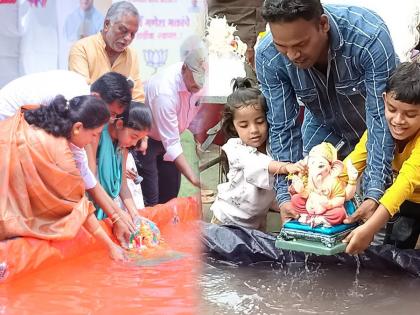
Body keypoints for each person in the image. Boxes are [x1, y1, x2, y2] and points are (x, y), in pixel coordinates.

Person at [255, 0, 398, 225]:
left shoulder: (368, 37)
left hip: (375, 128)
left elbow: (381, 119)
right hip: (324, 126)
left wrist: (375, 191)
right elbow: (282, 126)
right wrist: (285, 196)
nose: (292, 55)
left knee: (380, 219)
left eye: (301, 44)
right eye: (282, 46)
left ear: (323, 24)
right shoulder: (269, 56)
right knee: (308, 193)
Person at [0, 70, 140, 246]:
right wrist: (113, 229)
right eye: (110, 112)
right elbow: (76, 196)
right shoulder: (58, 141)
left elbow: (85, 174)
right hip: (6, 123)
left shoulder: (75, 117)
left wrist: (118, 216)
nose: (110, 120)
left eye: (114, 115)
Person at [343, 62, 420, 254]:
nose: (398, 120)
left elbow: (406, 181)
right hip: (405, 203)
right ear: (384, 100)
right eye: (392, 109)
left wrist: (369, 229)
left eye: (410, 114)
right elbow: (351, 165)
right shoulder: (378, 132)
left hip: (404, 192)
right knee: (395, 254)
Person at [210, 78, 303, 230]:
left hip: (257, 222)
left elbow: (274, 188)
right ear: (234, 127)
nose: (253, 130)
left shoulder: (274, 149)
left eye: (259, 122)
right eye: (244, 125)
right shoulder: (234, 147)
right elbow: (257, 163)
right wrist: (287, 167)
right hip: (226, 220)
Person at [134, 46, 207, 206]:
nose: (199, 86)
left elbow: (193, 117)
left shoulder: (200, 83)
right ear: (184, 68)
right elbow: (172, 143)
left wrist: (199, 140)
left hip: (169, 139)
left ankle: (166, 230)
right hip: (146, 141)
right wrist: (194, 179)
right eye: (195, 80)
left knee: (170, 197)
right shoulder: (165, 92)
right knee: (150, 201)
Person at [86, 101, 152, 222]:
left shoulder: (124, 146)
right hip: (91, 205)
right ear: (120, 124)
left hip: (110, 205)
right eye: (134, 136)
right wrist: (117, 214)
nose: (133, 143)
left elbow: (122, 184)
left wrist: (135, 215)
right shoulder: (97, 135)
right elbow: (91, 180)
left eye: (138, 139)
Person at [68, 1, 144, 103]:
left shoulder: (132, 55)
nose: (128, 38)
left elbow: (137, 99)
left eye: (133, 34)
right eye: (123, 30)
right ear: (107, 24)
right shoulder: (82, 48)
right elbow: (82, 96)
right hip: (90, 115)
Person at [0, 70, 131, 122]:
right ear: (96, 97)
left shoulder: (80, 87)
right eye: (112, 113)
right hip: (6, 119)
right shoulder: (73, 101)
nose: (110, 119)